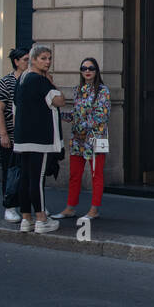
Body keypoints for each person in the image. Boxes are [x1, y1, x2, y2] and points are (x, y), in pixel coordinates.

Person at [11, 44, 64, 234]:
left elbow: (16, 107)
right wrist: (52, 83)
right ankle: (41, 219)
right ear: (33, 60)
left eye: (49, 58)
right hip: (40, 139)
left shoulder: (21, 79)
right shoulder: (39, 80)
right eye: (43, 58)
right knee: (37, 179)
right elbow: (59, 100)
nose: (47, 62)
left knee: (25, 178)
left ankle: (26, 219)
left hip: (22, 137)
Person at [54, 57, 111, 221]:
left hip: (94, 139)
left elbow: (101, 116)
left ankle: (94, 210)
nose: (87, 71)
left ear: (96, 71)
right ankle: (70, 208)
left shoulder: (102, 91)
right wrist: (62, 114)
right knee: (75, 174)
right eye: (84, 68)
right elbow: (76, 114)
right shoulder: (77, 89)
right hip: (78, 139)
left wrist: (81, 126)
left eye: (91, 68)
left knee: (96, 174)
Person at [0, 47, 30, 222]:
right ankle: (9, 206)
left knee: (28, 173)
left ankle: (27, 205)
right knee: (10, 172)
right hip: (11, 136)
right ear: (16, 62)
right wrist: (3, 134)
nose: (28, 62)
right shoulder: (6, 82)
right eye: (25, 59)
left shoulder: (32, 79)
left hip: (28, 137)